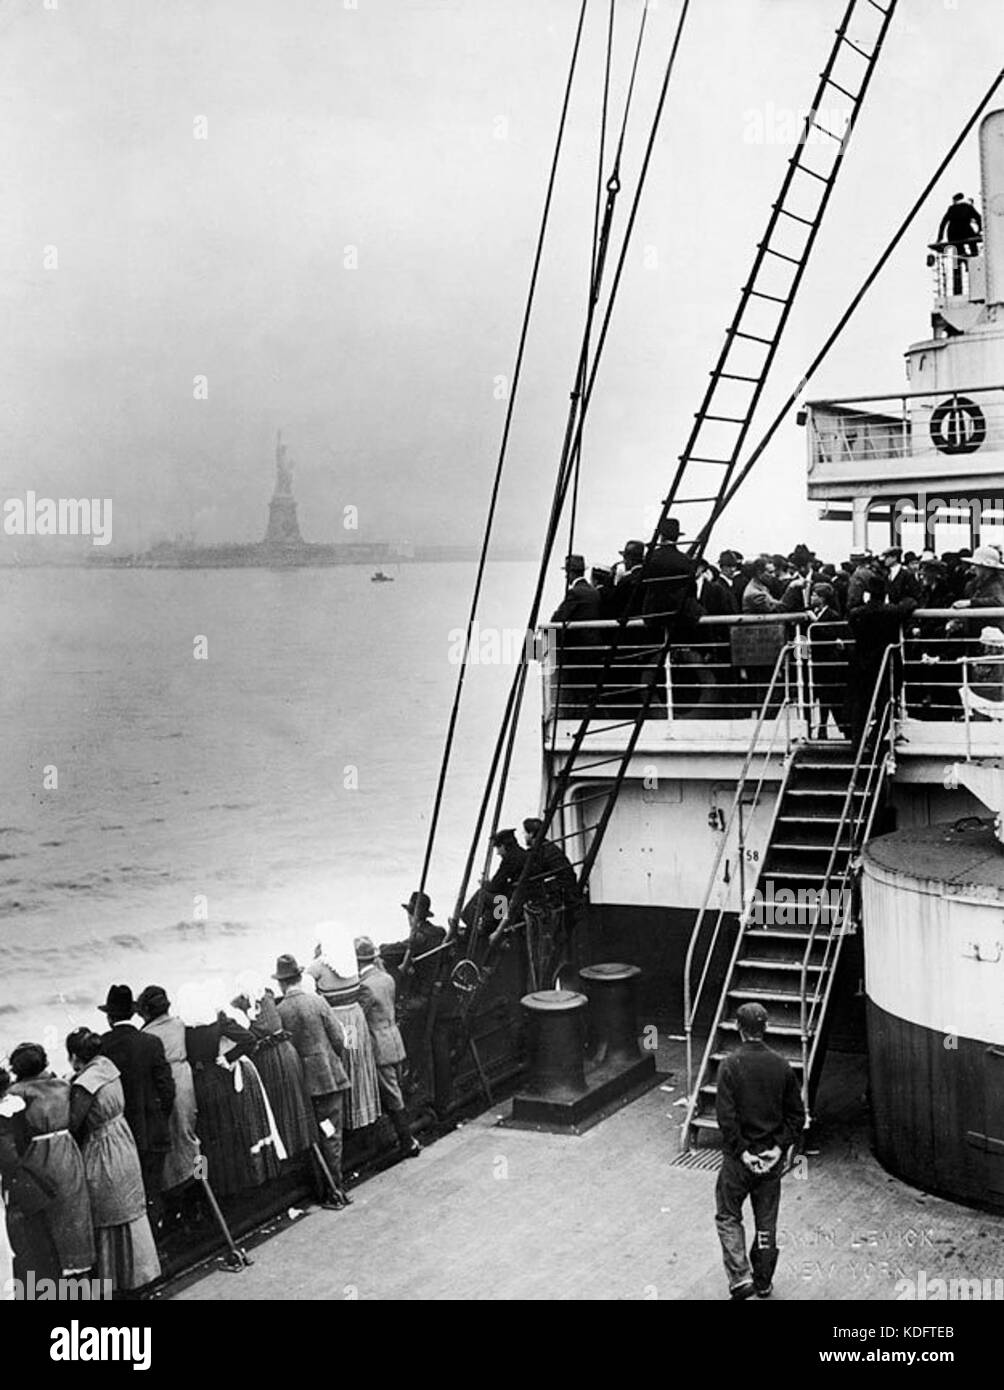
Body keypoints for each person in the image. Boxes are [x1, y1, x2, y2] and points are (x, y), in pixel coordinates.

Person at [714, 1002, 805, 1300]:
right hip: (770, 1160)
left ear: (738, 1029)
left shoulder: (729, 1066)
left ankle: (740, 1277)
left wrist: (742, 1153)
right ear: (765, 1028)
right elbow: (796, 1117)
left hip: (738, 1162)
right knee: (766, 1222)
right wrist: (778, 1149)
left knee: (729, 1215)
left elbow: (726, 1119)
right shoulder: (782, 1066)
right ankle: (763, 1281)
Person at [66, 1028, 161, 1295]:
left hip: (101, 1147)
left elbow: (74, 1122)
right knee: (129, 1204)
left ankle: (115, 1279)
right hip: (122, 1138)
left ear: (74, 1057)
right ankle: (141, 1272)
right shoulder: (108, 1067)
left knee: (107, 1210)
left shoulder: (85, 1084)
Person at [179, 984, 284, 1200]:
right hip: (219, 1080)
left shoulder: (183, 1029)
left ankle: (209, 1185)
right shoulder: (218, 1022)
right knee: (230, 1131)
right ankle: (238, 1183)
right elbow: (248, 1039)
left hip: (197, 1084)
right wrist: (228, 1058)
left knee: (205, 1139)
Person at [1, 1043, 94, 1281]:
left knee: (46, 1215)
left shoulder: (17, 1092)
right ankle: (79, 1268)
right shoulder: (63, 1085)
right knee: (74, 1210)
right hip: (66, 1149)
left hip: (38, 1153)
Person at [273, 953, 352, 1207]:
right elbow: (338, 1039)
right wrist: (333, 1060)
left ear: (281, 984)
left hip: (303, 1085)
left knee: (315, 1137)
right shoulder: (317, 1002)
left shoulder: (280, 1011)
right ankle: (335, 1189)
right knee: (332, 1135)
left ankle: (325, 1190)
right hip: (329, 1079)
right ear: (299, 977)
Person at [97, 985, 175, 1219]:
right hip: (153, 1129)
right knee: (153, 1188)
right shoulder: (151, 1042)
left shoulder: (102, 1046)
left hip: (123, 1133)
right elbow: (167, 1089)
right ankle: (159, 1237)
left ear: (110, 1018)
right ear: (133, 1013)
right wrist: (160, 1117)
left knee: (132, 1192)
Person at [230, 977, 317, 1160]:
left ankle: (288, 1153)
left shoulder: (238, 1004)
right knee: (297, 1101)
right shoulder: (268, 995)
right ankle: (309, 1147)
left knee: (279, 1107)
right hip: (287, 1052)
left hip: (266, 1059)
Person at [307, 929, 381, 1132]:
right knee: (356, 1064)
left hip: (337, 1021)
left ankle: (345, 1119)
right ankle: (362, 1115)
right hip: (355, 1019)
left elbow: (305, 989)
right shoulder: (348, 961)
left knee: (341, 1065)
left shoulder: (317, 967)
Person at [355, 937, 421, 1159]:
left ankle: (407, 1142)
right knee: (396, 1090)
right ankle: (403, 1139)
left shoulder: (364, 986)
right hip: (394, 1040)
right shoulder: (386, 978)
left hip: (379, 1048)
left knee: (392, 1096)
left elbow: (358, 1017)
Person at [135, 986, 200, 1200]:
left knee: (174, 1142)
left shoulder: (146, 1034)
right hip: (184, 1078)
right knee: (191, 1136)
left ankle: (180, 1193)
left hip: (164, 1082)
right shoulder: (180, 1024)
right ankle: (200, 1187)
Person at [936, 192, 982, 257]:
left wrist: (940, 238)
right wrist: (979, 230)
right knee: (973, 245)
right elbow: (979, 218)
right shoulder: (968, 207)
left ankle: (962, 259)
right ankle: (974, 255)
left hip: (953, 235)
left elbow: (943, 223)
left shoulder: (951, 209)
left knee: (960, 251)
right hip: (965, 232)